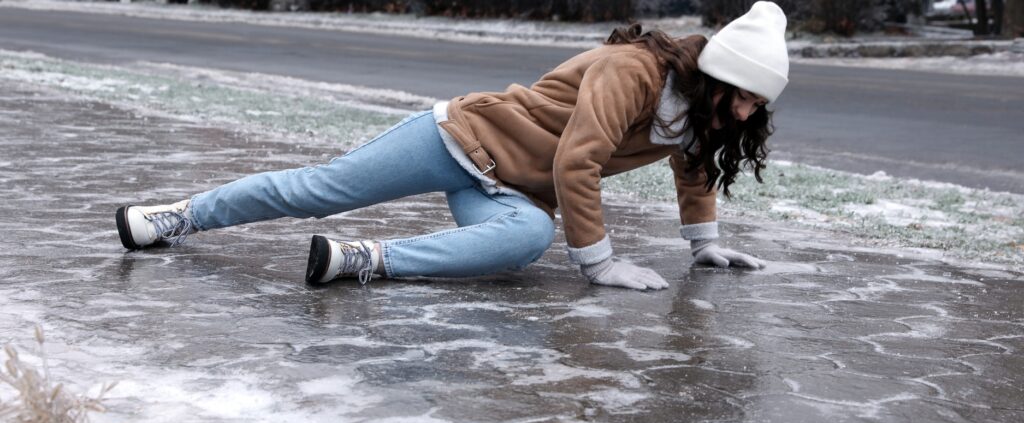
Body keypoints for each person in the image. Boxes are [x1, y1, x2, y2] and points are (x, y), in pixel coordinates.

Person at [115, 1, 789, 291]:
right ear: (714, 77)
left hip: (509, 190)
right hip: (458, 137)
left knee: (525, 241)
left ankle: (362, 261)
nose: (748, 111)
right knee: (318, 191)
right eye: (744, 96)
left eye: (759, 103)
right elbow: (577, 160)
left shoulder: (700, 114)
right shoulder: (633, 72)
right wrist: (600, 264)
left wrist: (703, 245)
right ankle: (176, 217)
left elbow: (694, 165)